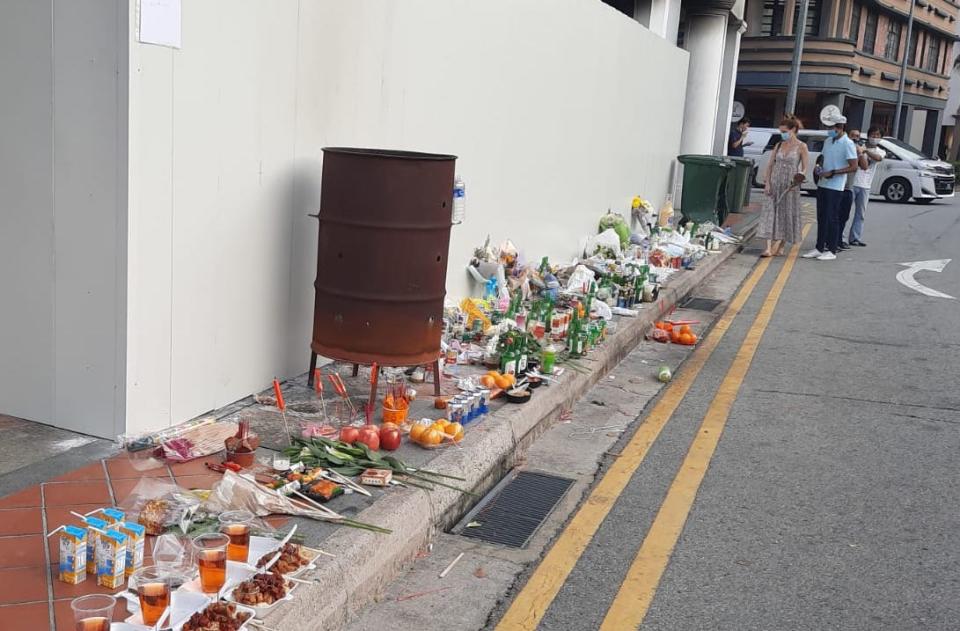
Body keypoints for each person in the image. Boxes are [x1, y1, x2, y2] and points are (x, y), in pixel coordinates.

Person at [802, 113, 858, 261]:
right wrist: (818, 166)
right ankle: (819, 247)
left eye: (832, 128)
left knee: (832, 217)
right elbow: (822, 158)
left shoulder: (848, 143)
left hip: (836, 186)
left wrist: (833, 172)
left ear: (839, 128)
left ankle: (832, 249)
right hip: (822, 183)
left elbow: (854, 166)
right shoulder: (828, 141)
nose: (829, 130)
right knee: (821, 216)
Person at [759, 116, 809, 257]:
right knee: (769, 212)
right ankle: (768, 247)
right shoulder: (779, 145)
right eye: (781, 131)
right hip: (775, 182)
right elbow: (770, 165)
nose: (782, 133)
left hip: (790, 185)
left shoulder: (802, 146)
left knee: (786, 214)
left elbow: (805, 168)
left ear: (793, 130)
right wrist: (767, 182)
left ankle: (781, 245)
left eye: (785, 131)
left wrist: (798, 179)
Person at [849, 127, 885, 246]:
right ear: (868, 135)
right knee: (845, 212)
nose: (875, 137)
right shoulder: (859, 145)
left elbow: (878, 158)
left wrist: (865, 151)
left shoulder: (880, 151)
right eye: (873, 135)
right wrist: (860, 149)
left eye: (877, 135)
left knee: (860, 214)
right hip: (853, 183)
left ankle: (855, 237)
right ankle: (841, 238)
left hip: (866, 185)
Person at [837, 129, 867, 250]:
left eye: (857, 136)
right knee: (835, 216)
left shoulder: (856, 151)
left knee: (844, 216)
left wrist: (860, 153)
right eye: (852, 136)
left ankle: (839, 240)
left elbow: (864, 166)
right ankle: (831, 240)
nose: (855, 138)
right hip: (837, 186)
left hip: (849, 187)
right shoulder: (843, 148)